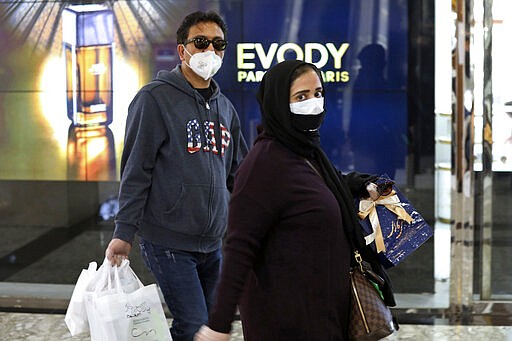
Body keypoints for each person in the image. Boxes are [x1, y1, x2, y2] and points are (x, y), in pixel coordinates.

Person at [194, 60, 396, 341]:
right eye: (301, 97)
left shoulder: (307, 152)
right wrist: (219, 323)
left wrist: (364, 184)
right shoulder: (264, 165)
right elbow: (240, 248)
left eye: (318, 93)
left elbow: (327, 183)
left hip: (325, 312)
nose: (313, 103)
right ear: (278, 103)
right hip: (288, 320)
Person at [105, 10, 248, 341]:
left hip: (213, 243)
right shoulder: (153, 99)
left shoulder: (226, 108)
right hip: (168, 240)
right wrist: (123, 231)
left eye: (218, 44)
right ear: (182, 50)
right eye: (200, 42)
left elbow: (239, 176)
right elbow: (136, 171)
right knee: (193, 323)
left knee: (213, 325)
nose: (209, 51)